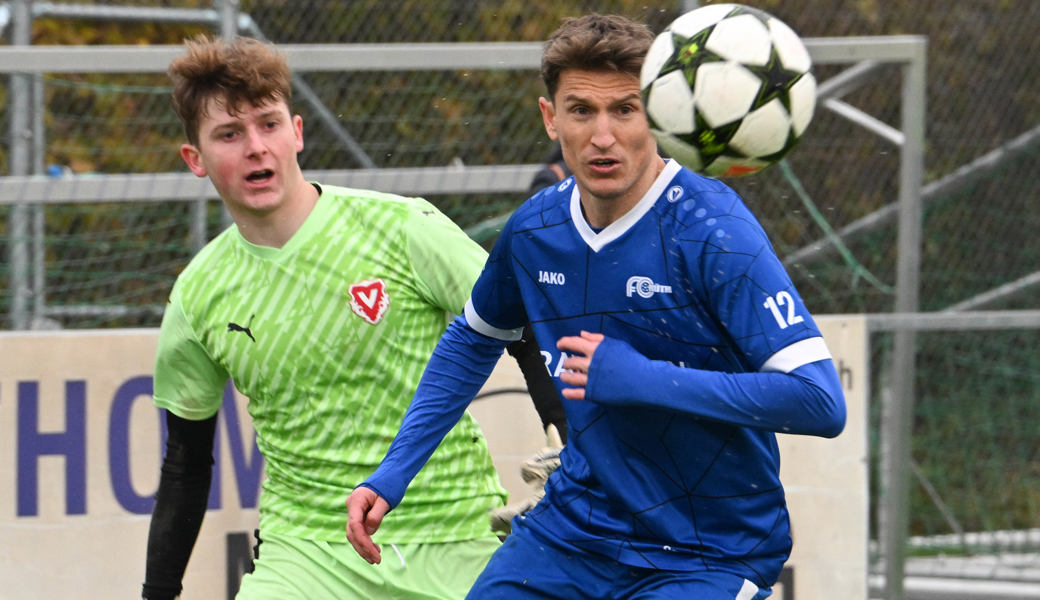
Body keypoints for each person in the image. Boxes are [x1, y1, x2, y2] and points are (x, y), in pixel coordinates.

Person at [346, 13, 846, 600]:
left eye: (625, 110)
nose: (602, 135)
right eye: (581, 110)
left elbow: (819, 402)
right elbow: (474, 337)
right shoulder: (536, 228)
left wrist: (641, 377)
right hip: (573, 534)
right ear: (550, 118)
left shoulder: (715, 230)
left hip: (706, 551)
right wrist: (394, 472)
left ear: (656, 115)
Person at [142, 34, 561, 600]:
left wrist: (569, 437)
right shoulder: (198, 295)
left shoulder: (403, 228)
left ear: (297, 131)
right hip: (308, 554)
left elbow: (526, 323)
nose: (255, 147)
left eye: (268, 124)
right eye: (229, 134)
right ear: (195, 159)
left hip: (456, 538)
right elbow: (185, 463)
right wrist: (157, 592)